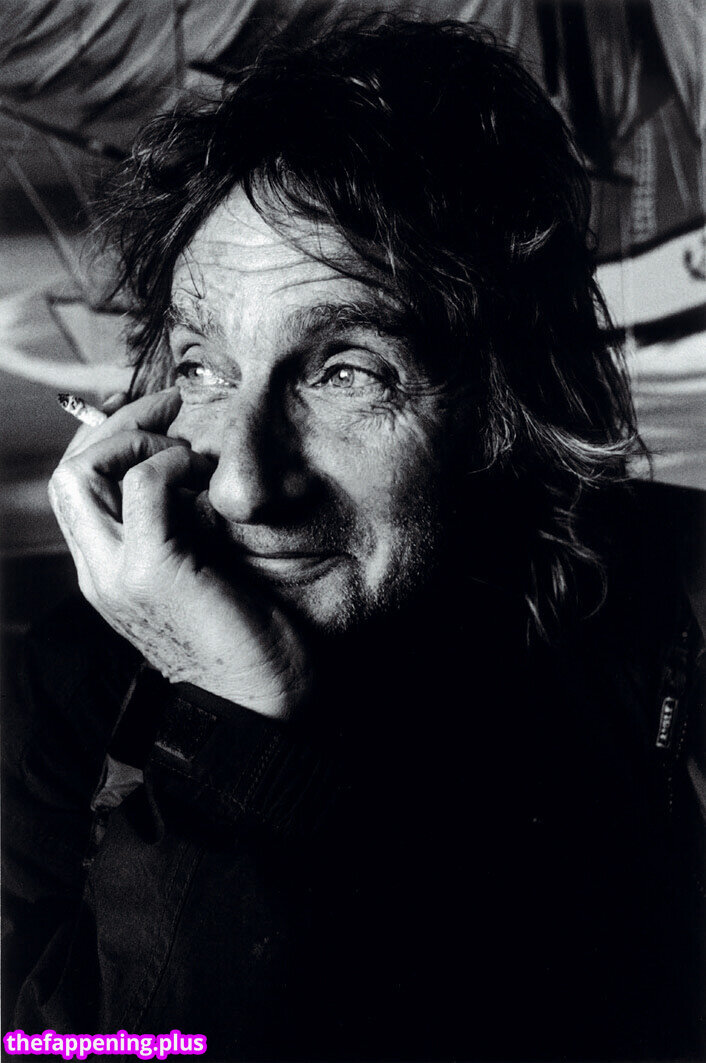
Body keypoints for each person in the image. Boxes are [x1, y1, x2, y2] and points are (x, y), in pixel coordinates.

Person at [3, 16, 704, 1061]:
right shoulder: (65, 690)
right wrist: (230, 724)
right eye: (201, 369)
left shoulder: (654, 616)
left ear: (505, 408)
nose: (242, 485)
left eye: (347, 372)